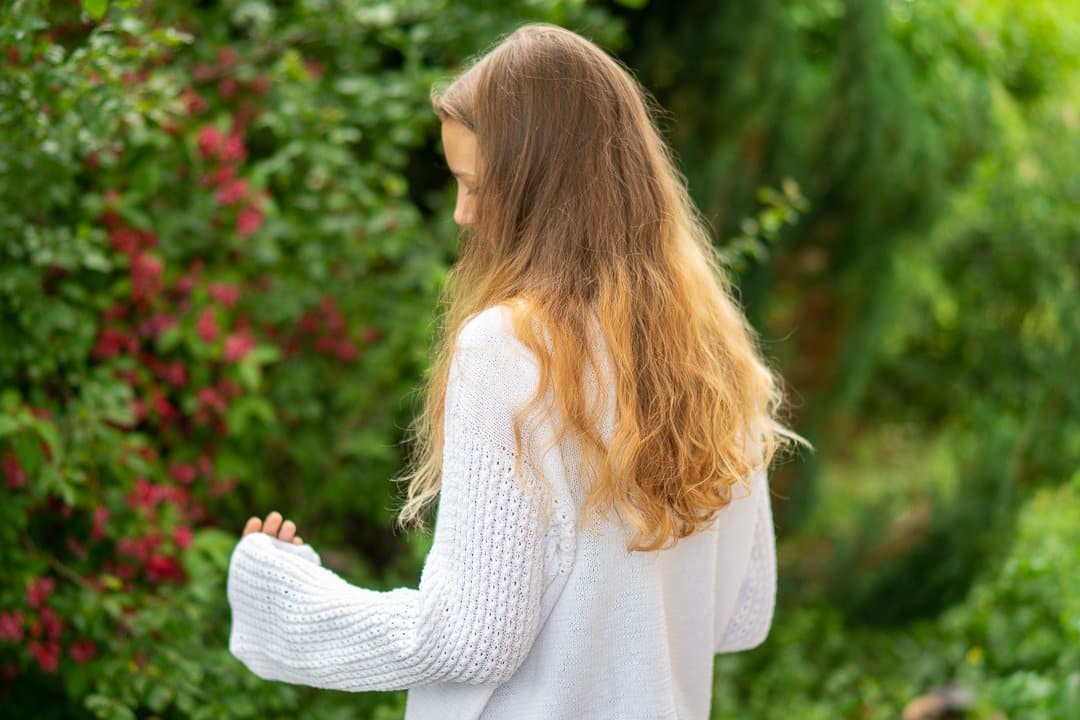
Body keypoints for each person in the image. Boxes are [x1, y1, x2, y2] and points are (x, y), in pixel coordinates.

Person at [226, 21, 805, 720]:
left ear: (541, 187)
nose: (465, 215)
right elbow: (744, 613)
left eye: (478, 186)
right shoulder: (716, 356)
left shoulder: (511, 349)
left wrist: (285, 598)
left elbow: (471, 642)